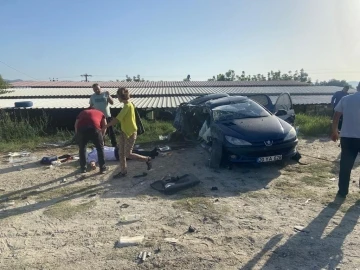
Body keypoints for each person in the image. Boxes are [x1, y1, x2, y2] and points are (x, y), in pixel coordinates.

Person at [103, 87, 152, 178]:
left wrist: (105, 126)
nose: (117, 98)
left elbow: (117, 120)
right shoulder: (127, 105)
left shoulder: (127, 106)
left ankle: (147, 159)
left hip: (131, 132)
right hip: (124, 132)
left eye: (118, 96)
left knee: (127, 154)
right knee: (121, 153)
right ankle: (123, 172)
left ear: (121, 96)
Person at [331, 82, 360, 198]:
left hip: (348, 137)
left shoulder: (346, 99)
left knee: (345, 166)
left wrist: (334, 131)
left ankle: (342, 192)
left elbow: (336, 116)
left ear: (357, 88)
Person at [75, 107, 108, 174]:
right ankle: (102, 168)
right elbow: (105, 125)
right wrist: (102, 135)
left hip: (82, 130)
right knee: (100, 148)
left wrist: (78, 135)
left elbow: (76, 124)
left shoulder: (82, 112)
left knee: (82, 149)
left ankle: (83, 168)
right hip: (95, 129)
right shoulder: (100, 112)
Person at [87, 146, 159, 170]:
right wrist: (93, 165)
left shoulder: (96, 148)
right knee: (135, 154)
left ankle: (151, 153)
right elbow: (92, 162)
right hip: (116, 155)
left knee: (135, 151)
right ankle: (151, 155)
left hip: (117, 149)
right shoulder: (90, 156)